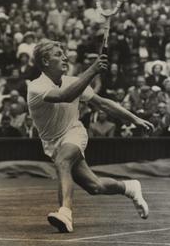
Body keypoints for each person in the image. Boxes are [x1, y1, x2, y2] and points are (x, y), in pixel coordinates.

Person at [27, 40, 154, 233]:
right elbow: (65, 96)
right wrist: (92, 70)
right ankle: (129, 187)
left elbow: (103, 103)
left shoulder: (73, 81)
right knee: (94, 186)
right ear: (45, 61)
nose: (65, 57)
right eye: (58, 54)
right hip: (51, 142)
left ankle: (65, 213)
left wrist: (134, 119)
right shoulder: (36, 87)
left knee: (63, 161)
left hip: (74, 132)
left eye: (64, 53)